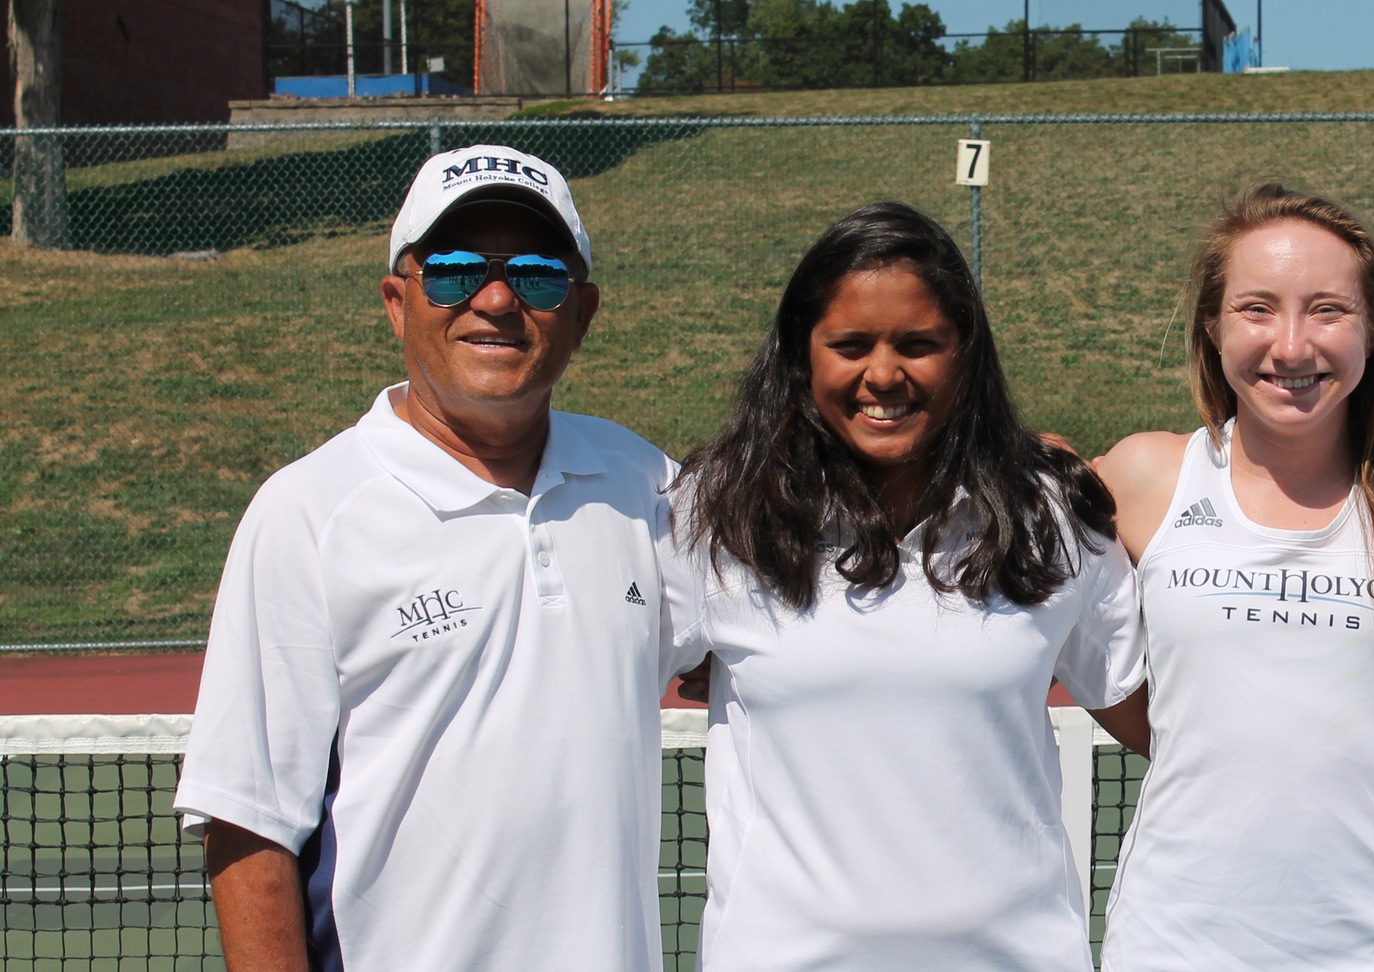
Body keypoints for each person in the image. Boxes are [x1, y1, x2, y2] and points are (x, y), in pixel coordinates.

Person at [173, 145, 697, 972]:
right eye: (453, 270)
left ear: (583, 312)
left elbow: (754, 646)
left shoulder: (649, 485)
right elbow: (249, 821)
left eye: (537, 273)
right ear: (396, 302)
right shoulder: (308, 512)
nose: (495, 300)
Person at [670, 201, 1144, 971]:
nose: (883, 374)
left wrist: (1373, 769)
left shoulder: (1051, 513)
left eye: (919, 345)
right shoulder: (713, 515)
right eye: (850, 345)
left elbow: (1155, 717)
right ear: (801, 356)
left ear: (965, 355)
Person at [1089, 183, 1374, 970]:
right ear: (1213, 329)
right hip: (1173, 944)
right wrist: (1226, 752)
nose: (1291, 346)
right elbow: (1063, 642)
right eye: (1256, 308)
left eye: (1327, 309)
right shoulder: (1143, 477)